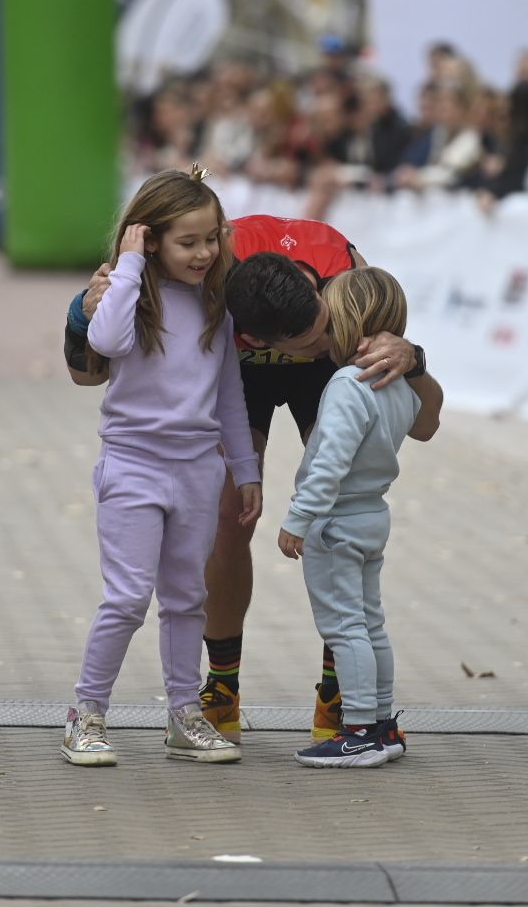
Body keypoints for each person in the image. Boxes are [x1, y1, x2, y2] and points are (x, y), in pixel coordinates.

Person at [65, 210, 444, 747]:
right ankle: (222, 688)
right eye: (312, 341)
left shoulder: (347, 276)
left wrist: (414, 359)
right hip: (242, 374)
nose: (320, 344)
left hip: (322, 365)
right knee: (228, 519)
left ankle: (342, 697)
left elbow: (424, 424)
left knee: (340, 507)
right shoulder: (207, 265)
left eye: (324, 332)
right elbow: (87, 373)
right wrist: (83, 311)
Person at [62, 167, 263, 768]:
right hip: (133, 467)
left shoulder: (215, 307)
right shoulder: (128, 295)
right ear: (148, 239)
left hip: (198, 471)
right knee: (126, 598)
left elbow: (229, 393)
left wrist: (245, 469)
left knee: (186, 598)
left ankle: (183, 713)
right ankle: (87, 714)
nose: (203, 253)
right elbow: (110, 340)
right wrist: (127, 268)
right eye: (187, 241)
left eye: (211, 238)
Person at [278, 267, 418, 768]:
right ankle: (383, 723)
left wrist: (298, 517)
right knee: (371, 624)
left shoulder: (346, 384)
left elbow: (330, 460)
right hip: (372, 515)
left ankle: (358, 730)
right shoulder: (401, 388)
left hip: (335, 523)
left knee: (344, 628)